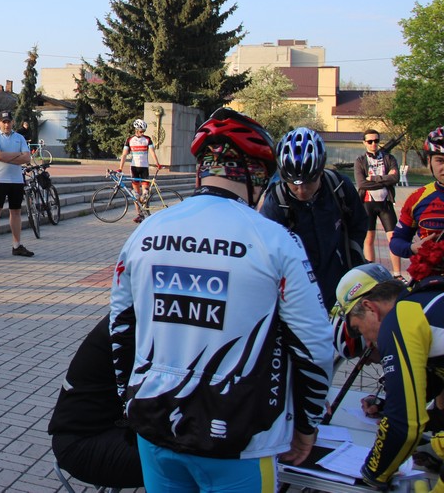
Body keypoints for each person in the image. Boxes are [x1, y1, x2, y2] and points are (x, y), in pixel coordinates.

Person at [109, 107, 334, 492]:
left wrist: (128, 400)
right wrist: (307, 424)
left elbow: (120, 329)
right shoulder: (277, 241)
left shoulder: (145, 232)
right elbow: (315, 347)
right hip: (240, 438)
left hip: (152, 422)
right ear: (255, 175)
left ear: (203, 169)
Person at [332, 263, 440, 488]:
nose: (368, 342)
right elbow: (434, 383)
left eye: (358, 329)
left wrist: (373, 473)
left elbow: (405, 425)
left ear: (370, 307)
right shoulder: (421, 302)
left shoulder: (399, 318)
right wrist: (389, 405)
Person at [259, 127, 367, 310]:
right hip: (297, 288)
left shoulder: (339, 187)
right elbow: (265, 249)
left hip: (338, 280)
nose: (302, 191)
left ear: (321, 172)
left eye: (309, 182)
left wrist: (354, 258)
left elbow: (358, 224)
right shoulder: (276, 201)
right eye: (294, 184)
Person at [47, 315, 144, 489]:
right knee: (180, 459)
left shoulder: (135, 317)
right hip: (83, 441)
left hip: (101, 428)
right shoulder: (133, 327)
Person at [0, 110, 34, 258]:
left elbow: (27, 158)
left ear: (13, 122)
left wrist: (8, 157)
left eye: (9, 122)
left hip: (16, 180)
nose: (6, 125)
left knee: (16, 212)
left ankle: (16, 245)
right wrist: (18, 155)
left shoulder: (19, 137)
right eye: (4, 122)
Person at [391, 126, 444, 263]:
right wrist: (412, 248)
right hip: (431, 274)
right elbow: (396, 241)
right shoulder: (417, 198)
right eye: (440, 160)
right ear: (429, 161)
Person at [355, 128, 403, 277]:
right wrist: (384, 180)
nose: (373, 144)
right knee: (369, 239)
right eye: (370, 141)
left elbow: (395, 178)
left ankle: (397, 274)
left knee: (393, 239)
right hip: (368, 203)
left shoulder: (389, 158)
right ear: (364, 143)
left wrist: (374, 179)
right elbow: (362, 184)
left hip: (385, 203)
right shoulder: (360, 160)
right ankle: (372, 275)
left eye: (376, 141)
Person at [117, 118, 162, 223]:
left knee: (145, 194)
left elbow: (152, 152)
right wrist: (120, 168)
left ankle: (145, 211)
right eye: (141, 131)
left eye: (143, 131)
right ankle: (139, 215)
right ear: (136, 130)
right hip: (134, 168)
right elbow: (124, 155)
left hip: (144, 168)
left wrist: (157, 163)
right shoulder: (129, 140)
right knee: (136, 194)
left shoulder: (147, 139)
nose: (142, 133)